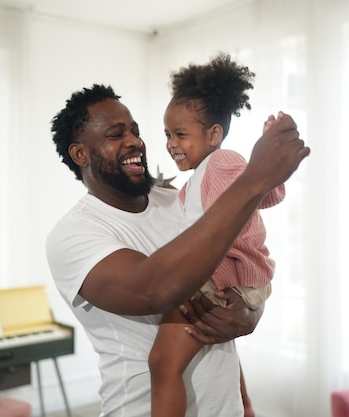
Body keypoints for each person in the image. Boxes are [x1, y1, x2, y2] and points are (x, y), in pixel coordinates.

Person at [46, 84, 309, 417]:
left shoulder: (181, 201)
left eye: (135, 131)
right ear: (81, 154)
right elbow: (155, 290)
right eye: (116, 134)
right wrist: (255, 177)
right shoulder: (74, 234)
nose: (135, 141)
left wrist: (248, 317)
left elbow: (231, 276)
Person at [148, 53, 286, 417]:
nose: (171, 143)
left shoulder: (221, 162)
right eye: (167, 134)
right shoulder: (196, 179)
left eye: (180, 134)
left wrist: (267, 165)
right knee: (172, 360)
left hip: (229, 279)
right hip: (226, 281)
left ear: (214, 134)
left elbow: (263, 193)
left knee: (164, 363)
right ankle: (245, 405)